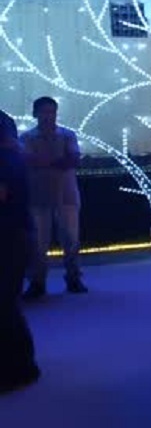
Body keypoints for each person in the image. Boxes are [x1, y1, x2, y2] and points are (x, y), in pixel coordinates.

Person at [21, 97, 87, 297]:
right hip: (38, 196)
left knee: (71, 240)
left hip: (66, 195)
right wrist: (58, 161)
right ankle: (37, 282)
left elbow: (73, 160)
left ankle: (73, 278)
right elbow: (28, 160)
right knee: (38, 243)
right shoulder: (26, 138)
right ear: (35, 114)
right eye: (44, 112)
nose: (49, 116)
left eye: (52, 112)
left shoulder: (67, 135)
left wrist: (44, 162)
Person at [0, 109, 41, 392]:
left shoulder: (6, 160)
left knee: (4, 304)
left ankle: (19, 369)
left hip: (10, 238)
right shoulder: (12, 157)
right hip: (14, 235)